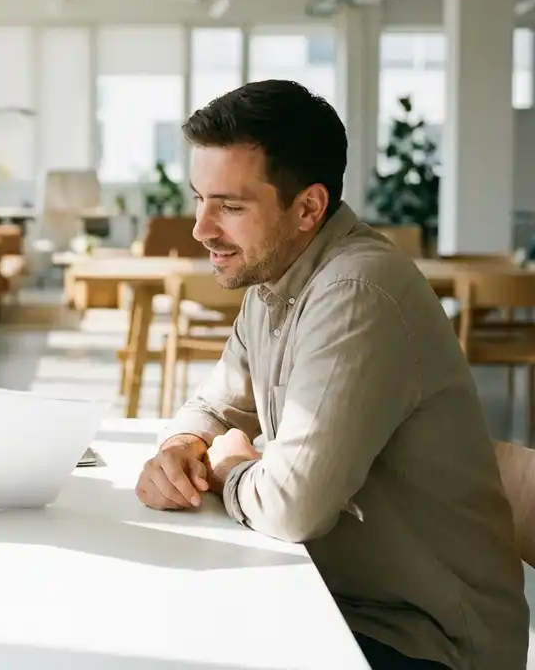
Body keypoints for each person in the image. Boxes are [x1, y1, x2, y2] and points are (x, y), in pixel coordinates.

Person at [135, 80, 529, 670]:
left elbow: (292, 506)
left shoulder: (356, 293)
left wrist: (228, 470)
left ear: (308, 208)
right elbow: (216, 407)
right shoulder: (273, 281)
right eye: (200, 199)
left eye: (230, 207)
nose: (201, 228)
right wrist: (182, 448)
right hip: (333, 601)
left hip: (421, 640)